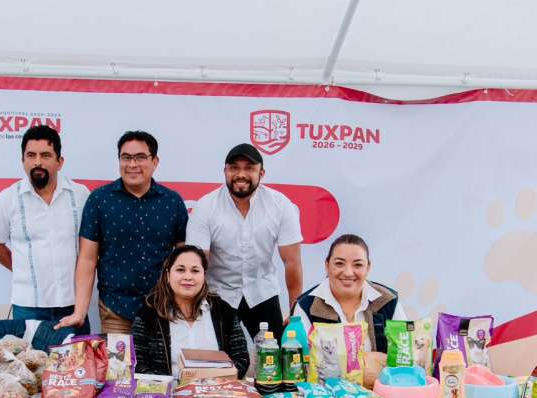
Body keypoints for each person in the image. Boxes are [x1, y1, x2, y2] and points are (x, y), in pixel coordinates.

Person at [56, 130, 188, 334]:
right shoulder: (99, 200)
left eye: (140, 157)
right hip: (115, 310)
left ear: (155, 161)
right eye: (126, 157)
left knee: (162, 357)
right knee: (117, 357)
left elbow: (185, 259)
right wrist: (80, 311)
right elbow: (87, 259)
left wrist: (184, 304)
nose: (132, 164)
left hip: (163, 310)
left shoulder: (173, 202)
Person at [186, 143, 303, 342]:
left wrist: (295, 312)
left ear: (261, 173)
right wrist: (191, 306)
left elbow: (292, 261)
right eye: (234, 168)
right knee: (214, 356)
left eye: (249, 168)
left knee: (277, 354)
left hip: (262, 291)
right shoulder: (206, 206)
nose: (241, 174)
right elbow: (197, 263)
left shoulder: (280, 205)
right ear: (225, 171)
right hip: (218, 293)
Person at [0, 125, 91, 335]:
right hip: (28, 307)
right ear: (23, 160)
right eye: (31, 155)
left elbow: (91, 247)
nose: (38, 162)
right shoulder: (7, 200)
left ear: (60, 162)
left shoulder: (80, 195)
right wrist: (23, 269)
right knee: (29, 357)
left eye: (45, 155)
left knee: (76, 357)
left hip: (73, 304)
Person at [132, 245, 249, 379]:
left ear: (204, 275)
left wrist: (216, 381)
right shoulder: (149, 313)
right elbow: (138, 363)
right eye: (180, 270)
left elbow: (241, 358)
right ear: (168, 275)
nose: (188, 277)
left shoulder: (223, 311)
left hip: (216, 389)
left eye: (195, 271)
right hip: (167, 391)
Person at [292, 234, 405, 353]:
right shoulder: (306, 306)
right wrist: (366, 361)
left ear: (368, 268)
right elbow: (300, 358)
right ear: (327, 265)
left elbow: (405, 354)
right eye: (339, 263)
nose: (348, 273)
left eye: (358, 265)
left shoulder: (388, 300)